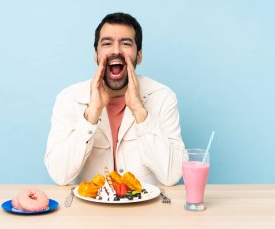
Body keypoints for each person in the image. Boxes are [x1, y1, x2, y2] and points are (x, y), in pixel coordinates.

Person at [45, 12, 185, 186]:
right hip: (88, 211)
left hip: (144, 210)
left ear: (139, 55)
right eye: (107, 43)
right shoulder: (68, 99)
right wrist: (92, 114)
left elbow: (172, 176)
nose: (116, 50)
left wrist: (140, 111)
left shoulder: (163, 97)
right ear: (96, 54)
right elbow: (60, 174)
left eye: (126, 43)